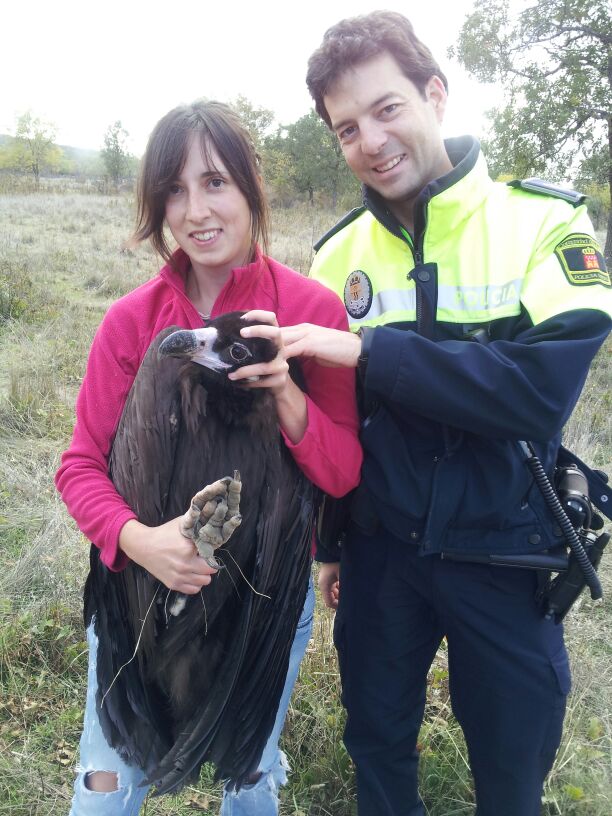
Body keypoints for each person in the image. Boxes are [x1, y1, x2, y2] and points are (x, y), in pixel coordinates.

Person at [279, 10, 612, 816]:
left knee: (511, 769)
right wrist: (330, 545)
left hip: (507, 550)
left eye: (388, 108)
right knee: (378, 748)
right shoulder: (336, 254)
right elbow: (335, 421)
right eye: (347, 127)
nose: (372, 140)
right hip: (380, 554)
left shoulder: (546, 223)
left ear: (435, 93)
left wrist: (372, 351)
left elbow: (536, 392)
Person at [55, 99, 362, 816]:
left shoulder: (311, 311)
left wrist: (286, 392)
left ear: (251, 188)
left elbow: (343, 472)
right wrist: (140, 542)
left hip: (265, 595)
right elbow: (78, 467)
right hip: (138, 595)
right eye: (175, 188)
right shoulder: (134, 322)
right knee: (106, 781)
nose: (196, 209)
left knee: (249, 776)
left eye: (216, 182)